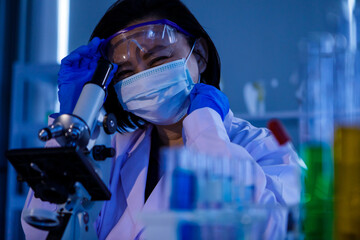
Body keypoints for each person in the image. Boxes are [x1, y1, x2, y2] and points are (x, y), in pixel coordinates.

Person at [22, 0, 301, 239]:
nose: (141, 79)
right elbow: (40, 232)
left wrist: (205, 130)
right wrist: (71, 132)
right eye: (125, 73)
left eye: (156, 60)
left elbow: (270, 232)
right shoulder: (113, 152)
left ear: (200, 56)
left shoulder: (266, 150)